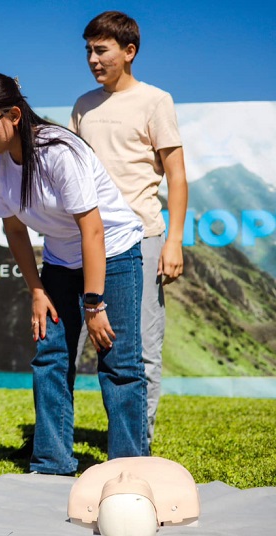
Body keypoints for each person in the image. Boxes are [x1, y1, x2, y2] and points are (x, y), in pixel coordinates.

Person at [0, 72, 148, 475]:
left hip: (113, 253)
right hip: (61, 262)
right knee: (50, 356)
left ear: (13, 115)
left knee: (118, 361)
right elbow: (14, 230)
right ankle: (51, 464)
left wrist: (94, 303)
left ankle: (129, 468)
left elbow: (92, 230)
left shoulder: (59, 150)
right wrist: (37, 290)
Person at [70, 11, 188, 442]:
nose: (93, 59)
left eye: (102, 50)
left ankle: (139, 442)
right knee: (71, 345)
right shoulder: (83, 105)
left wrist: (174, 241)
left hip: (142, 237)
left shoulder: (155, 101)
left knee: (141, 346)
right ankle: (62, 443)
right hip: (88, 239)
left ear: (129, 51)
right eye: (88, 50)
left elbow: (177, 176)